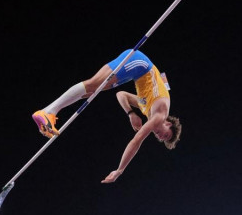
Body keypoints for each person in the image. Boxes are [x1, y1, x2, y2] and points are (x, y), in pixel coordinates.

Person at [32, 49, 182, 183]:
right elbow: (136, 141)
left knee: (90, 91)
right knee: (93, 84)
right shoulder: (160, 115)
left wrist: (131, 113)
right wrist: (120, 170)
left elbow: (121, 95)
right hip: (140, 64)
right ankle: (48, 112)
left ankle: (49, 113)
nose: (161, 137)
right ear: (168, 123)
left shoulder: (147, 108)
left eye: (162, 140)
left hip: (136, 70)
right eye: (166, 135)